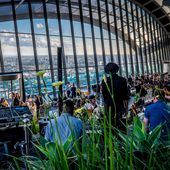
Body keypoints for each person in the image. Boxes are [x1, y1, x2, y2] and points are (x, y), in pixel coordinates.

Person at [101, 62, 129, 129]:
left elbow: (104, 96)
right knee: (121, 128)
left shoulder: (104, 81)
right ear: (117, 70)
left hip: (108, 109)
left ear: (107, 71)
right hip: (119, 108)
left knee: (110, 128)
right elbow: (125, 97)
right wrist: (126, 109)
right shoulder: (122, 80)